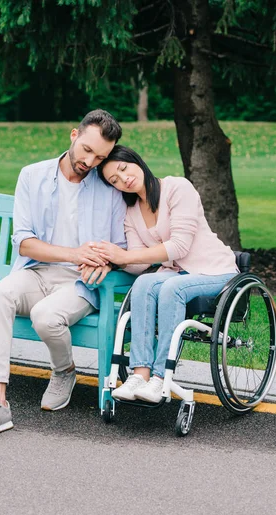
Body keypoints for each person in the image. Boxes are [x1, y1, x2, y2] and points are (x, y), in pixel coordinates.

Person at [0, 110, 126, 437]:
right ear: (73, 134)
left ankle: (65, 371)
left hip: (80, 284)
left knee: (45, 316)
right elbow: (25, 244)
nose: (90, 161)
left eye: (100, 157)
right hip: (34, 272)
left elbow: (121, 247)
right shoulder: (32, 175)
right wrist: (74, 252)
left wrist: (106, 263)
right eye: (86, 149)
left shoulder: (109, 189)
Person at [91, 145, 238, 404]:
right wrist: (111, 261)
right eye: (114, 180)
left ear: (136, 161)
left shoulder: (178, 188)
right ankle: (140, 375)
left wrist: (124, 256)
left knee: (172, 288)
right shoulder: (132, 212)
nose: (123, 179)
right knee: (145, 282)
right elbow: (136, 263)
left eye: (124, 169)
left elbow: (179, 246)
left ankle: (160, 378)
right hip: (176, 274)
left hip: (216, 270)